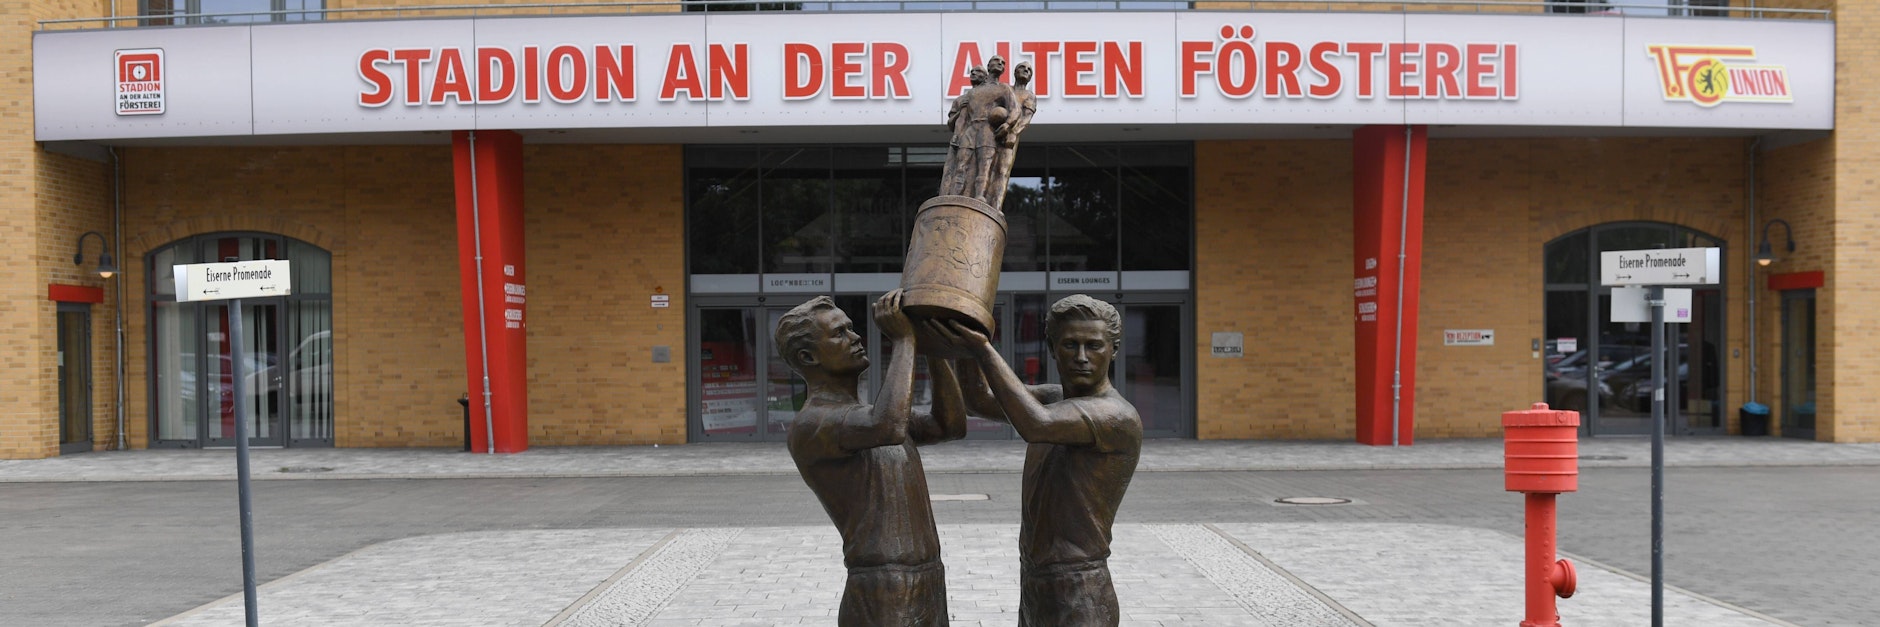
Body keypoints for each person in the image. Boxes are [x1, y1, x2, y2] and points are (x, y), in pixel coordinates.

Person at [927, 294, 1142, 627]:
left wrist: (982, 348)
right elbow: (979, 401)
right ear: (1053, 349)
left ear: (1113, 350)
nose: (1082, 357)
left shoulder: (1116, 415)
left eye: (1094, 346)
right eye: (1070, 345)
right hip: (1037, 582)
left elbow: (1034, 424)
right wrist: (962, 338)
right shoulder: (1054, 398)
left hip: (1080, 589)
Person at [775, 290, 968, 626]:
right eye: (839, 333)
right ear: (808, 357)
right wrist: (905, 341)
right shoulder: (814, 422)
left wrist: (932, 351)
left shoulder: (867, 416)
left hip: (926, 577)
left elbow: (948, 425)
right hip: (882, 588)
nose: (856, 337)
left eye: (850, 328)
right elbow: (888, 426)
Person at [942, 59, 1017, 203]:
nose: (1000, 63)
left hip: (987, 130)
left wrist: (1007, 124)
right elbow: (963, 118)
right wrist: (957, 135)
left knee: (984, 165)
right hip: (970, 130)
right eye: (996, 61)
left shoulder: (1004, 89)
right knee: (961, 164)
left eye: (1003, 62)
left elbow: (1015, 110)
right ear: (988, 66)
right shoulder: (972, 93)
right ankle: (956, 197)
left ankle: (979, 196)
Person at [985, 61, 1038, 211]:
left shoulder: (1030, 96)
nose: (1026, 70)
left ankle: (995, 208)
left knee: (1002, 171)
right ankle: (984, 203)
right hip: (993, 134)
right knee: (988, 169)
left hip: (1009, 139)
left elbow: (1026, 118)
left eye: (1029, 69)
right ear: (1015, 72)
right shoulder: (1005, 89)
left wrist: (1012, 132)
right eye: (1022, 68)